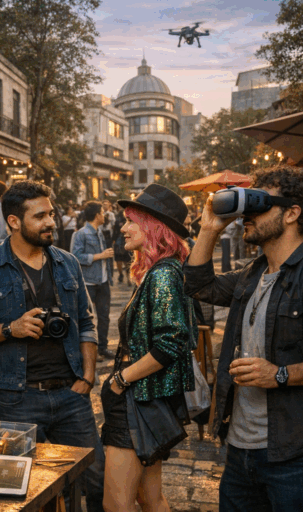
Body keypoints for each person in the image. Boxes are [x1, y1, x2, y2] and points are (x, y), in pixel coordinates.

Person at [184, 165, 303, 512]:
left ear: (292, 213)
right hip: (241, 449)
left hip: (301, 452)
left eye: (259, 204)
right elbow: (197, 284)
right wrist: (208, 228)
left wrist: (279, 374)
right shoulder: (253, 273)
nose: (247, 214)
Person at [0, 180, 105, 512]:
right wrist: (11, 328)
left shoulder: (67, 263)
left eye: (51, 214)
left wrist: (88, 377)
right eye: (40, 216)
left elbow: (86, 321)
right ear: (14, 222)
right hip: (13, 399)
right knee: (19, 493)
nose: (51, 222)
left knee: (97, 480)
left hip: (71, 394)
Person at [100, 184, 196, 512]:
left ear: (154, 228)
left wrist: (120, 380)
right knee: (149, 497)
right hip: (145, 398)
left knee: (116, 503)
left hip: (137, 399)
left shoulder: (164, 274)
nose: (123, 228)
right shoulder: (159, 270)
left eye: (131, 221)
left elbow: (171, 342)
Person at [71, 201, 115, 361]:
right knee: (87, 318)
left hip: (103, 281)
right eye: (102, 212)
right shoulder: (81, 234)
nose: (104, 215)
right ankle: (89, 351)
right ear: (97, 215)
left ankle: (102, 347)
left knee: (104, 316)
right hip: (88, 282)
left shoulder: (100, 232)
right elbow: (75, 256)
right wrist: (100, 256)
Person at [111, 205, 132, 286]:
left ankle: (125, 277)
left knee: (124, 261)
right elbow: (115, 230)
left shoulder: (120, 219)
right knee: (123, 261)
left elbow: (115, 230)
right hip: (120, 242)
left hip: (123, 242)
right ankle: (123, 276)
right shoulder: (119, 219)